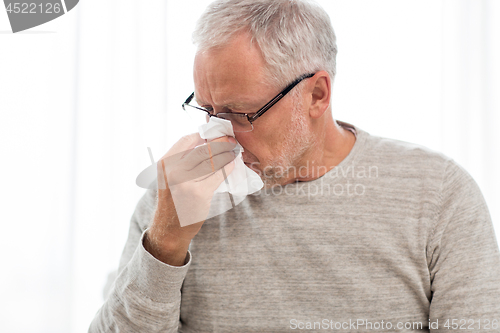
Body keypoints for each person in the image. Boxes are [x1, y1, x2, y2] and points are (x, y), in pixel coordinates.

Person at [89, 0, 500, 332]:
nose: (217, 135)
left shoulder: (437, 192)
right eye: (206, 109)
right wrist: (164, 241)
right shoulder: (176, 195)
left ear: (317, 95)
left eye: (238, 113)